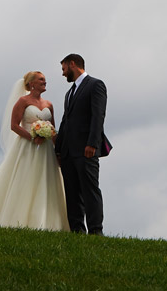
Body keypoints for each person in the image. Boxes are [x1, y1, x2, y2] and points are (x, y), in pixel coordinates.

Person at [0, 70, 68, 230]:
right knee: (25, 179)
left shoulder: (49, 105)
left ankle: (47, 221)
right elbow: (14, 125)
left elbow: (53, 129)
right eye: (41, 80)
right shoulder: (23, 101)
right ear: (31, 84)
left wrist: (57, 149)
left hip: (46, 150)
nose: (45, 82)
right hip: (27, 146)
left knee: (46, 181)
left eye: (45, 80)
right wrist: (32, 136)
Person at [55, 53, 110, 235]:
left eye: (64, 69)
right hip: (68, 152)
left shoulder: (95, 85)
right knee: (72, 193)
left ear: (73, 64)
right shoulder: (69, 93)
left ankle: (96, 231)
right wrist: (58, 151)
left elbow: (98, 116)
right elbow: (65, 121)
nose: (63, 74)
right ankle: (77, 230)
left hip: (86, 149)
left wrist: (92, 144)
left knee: (90, 190)